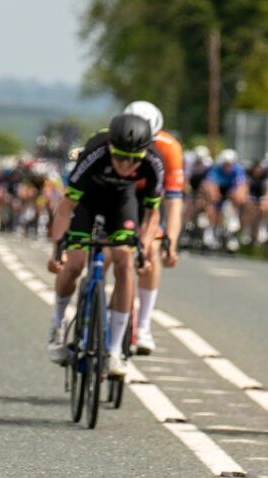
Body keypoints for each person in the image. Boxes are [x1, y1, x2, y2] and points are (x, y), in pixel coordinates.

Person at [45, 113, 163, 376]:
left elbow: (152, 214)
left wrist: (142, 248)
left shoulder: (154, 162)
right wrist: (57, 250)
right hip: (87, 201)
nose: (126, 165)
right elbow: (65, 207)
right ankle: (57, 323)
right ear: (110, 148)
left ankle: (113, 351)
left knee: (124, 262)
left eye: (134, 160)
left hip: (122, 203)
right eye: (120, 157)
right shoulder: (95, 154)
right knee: (74, 265)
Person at [123, 100, 184, 355]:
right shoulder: (112, 140)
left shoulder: (169, 149)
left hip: (149, 200)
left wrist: (171, 241)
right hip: (119, 194)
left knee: (152, 251)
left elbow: (173, 201)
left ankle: (145, 325)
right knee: (109, 254)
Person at [202, 149, 247, 251]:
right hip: (219, 190)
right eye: (226, 164)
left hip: (231, 192)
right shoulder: (216, 169)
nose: (228, 166)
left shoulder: (238, 170)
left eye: (230, 164)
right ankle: (211, 230)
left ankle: (233, 221)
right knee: (211, 199)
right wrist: (213, 197)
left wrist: (237, 198)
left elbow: (241, 186)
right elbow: (210, 185)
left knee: (238, 195)